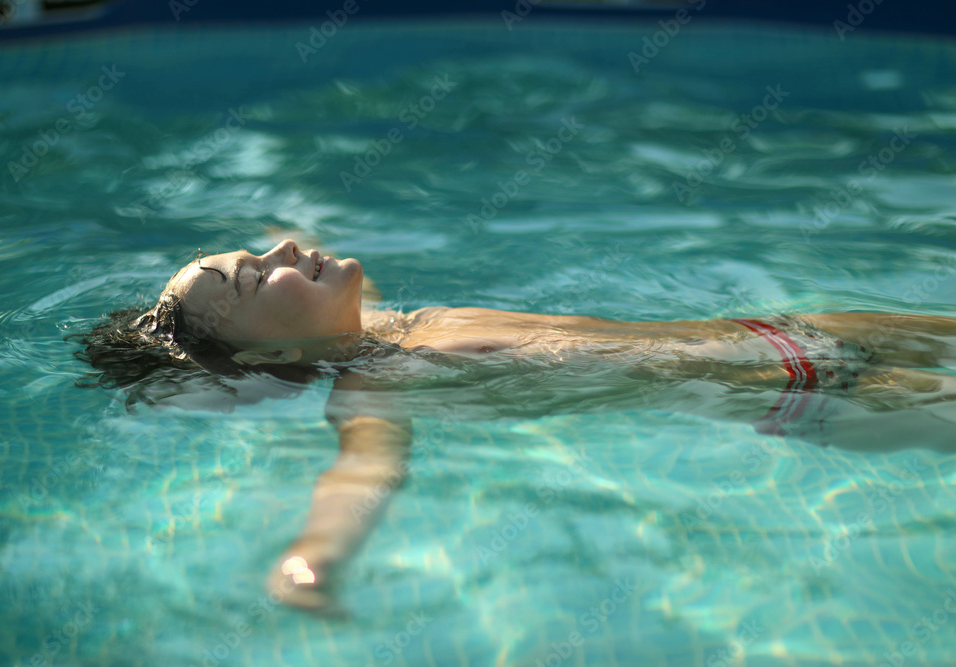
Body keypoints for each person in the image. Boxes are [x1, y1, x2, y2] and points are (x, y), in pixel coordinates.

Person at [70, 236, 956, 613]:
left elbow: (304, 256)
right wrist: (314, 559)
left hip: (793, 333)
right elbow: (363, 474)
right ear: (266, 361)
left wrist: (267, 257)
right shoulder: (380, 386)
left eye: (253, 253)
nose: (278, 257)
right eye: (256, 279)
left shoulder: (379, 324)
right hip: (799, 394)